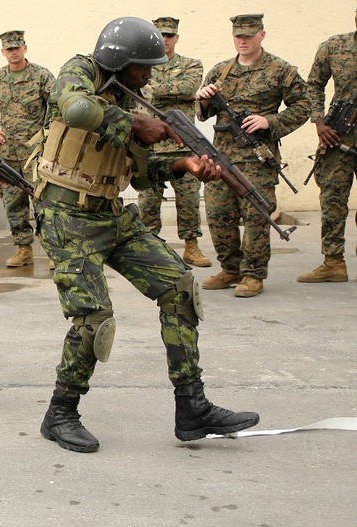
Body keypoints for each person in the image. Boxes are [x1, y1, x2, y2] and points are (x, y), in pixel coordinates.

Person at [34, 17, 260, 453]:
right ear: (122, 60)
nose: (152, 75)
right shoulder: (80, 72)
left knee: (179, 286)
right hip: (66, 215)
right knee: (94, 319)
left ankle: (192, 407)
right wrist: (137, 125)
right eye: (145, 66)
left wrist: (183, 166)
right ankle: (60, 413)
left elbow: (139, 173)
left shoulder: (133, 96)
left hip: (112, 213)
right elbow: (77, 110)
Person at [196, 14, 310, 297]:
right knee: (218, 214)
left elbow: (303, 106)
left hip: (258, 157)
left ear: (262, 35)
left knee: (257, 216)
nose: (242, 41)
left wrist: (270, 122)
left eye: (248, 35)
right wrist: (204, 100)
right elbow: (202, 114)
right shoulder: (220, 71)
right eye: (238, 36)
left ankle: (253, 275)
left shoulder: (280, 70)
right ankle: (230, 269)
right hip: (220, 156)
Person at [137, 17, 210, 268]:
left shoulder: (192, 64)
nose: (165, 39)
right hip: (151, 146)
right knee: (147, 201)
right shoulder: (143, 65)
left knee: (189, 200)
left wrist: (155, 87)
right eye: (161, 35)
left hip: (183, 144)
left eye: (169, 35)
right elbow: (144, 91)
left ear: (176, 37)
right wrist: (175, 90)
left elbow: (189, 86)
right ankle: (149, 248)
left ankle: (191, 246)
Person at [297, 9, 356, 283]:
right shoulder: (334, 46)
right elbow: (314, 84)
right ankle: (333, 262)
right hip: (338, 137)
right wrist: (318, 121)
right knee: (333, 200)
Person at [0, 30, 55, 268]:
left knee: (43, 201)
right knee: (13, 202)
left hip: (36, 155)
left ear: (24, 48)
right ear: (3, 52)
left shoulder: (41, 76)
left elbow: (57, 107)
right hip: (9, 154)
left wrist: (47, 136)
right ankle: (23, 248)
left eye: (17, 48)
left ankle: (52, 250)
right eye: (9, 49)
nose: (13, 53)